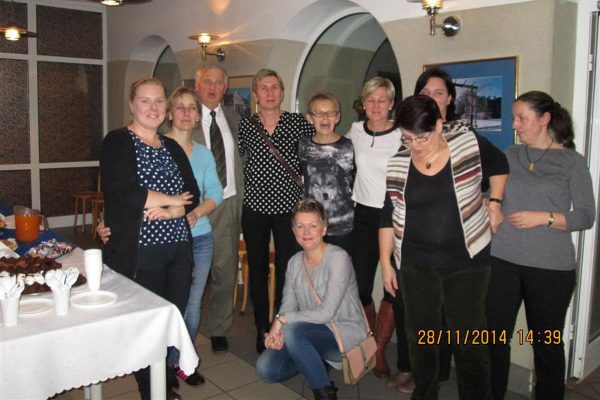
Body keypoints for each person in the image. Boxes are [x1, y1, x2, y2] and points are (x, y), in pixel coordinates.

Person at [379, 95, 509, 400]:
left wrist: (495, 201)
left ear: (439, 125)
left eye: (421, 137)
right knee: (421, 340)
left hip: (467, 262)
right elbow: (388, 214)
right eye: (407, 138)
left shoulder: (468, 144)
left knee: (468, 342)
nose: (415, 145)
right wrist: (386, 263)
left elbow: (499, 164)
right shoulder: (398, 163)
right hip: (415, 265)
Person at [98, 86, 223, 389]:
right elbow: (126, 192)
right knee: (146, 325)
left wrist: (173, 210)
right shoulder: (118, 141)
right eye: (145, 101)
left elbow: (192, 193)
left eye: (158, 101)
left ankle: (163, 373)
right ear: (132, 105)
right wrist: (172, 200)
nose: (153, 108)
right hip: (141, 252)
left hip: (179, 250)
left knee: (171, 319)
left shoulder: (171, 146)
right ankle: (152, 390)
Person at [487, 91, 595, 400]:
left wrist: (542, 217)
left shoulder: (571, 162)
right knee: (493, 339)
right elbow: (491, 192)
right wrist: (491, 204)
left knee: (546, 344)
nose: (515, 124)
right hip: (502, 260)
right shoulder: (510, 154)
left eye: (521, 118)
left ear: (545, 118)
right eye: (514, 118)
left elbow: (585, 216)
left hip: (550, 268)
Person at [256, 198, 368, 400]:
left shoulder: (338, 258)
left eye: (313, 226)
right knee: (266, 369)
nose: (306, 232)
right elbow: (288, 305)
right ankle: (313, 359)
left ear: (324, 229)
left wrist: (282, 321)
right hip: (307, 330)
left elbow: (327, 312)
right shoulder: (294, 263)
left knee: (293, 330)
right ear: (294, 231)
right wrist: (277, 331)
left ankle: (324, 393)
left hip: (342, 332)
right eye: (300, 226)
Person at [239, 69, 314, 353]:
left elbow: (316, 152)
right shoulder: (246, 125)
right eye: (264, 88)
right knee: (257, 270)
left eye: (274, 87)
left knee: (287, 270)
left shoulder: (298, 123)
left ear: (282, 92)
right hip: (254, 207)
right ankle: (262, 328)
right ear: (255, 94)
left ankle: (281, 327)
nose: (269, 93)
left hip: (288, 208)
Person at [346, 77, 401, 381]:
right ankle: (370, 342)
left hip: (396, 217)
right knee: (361, 286)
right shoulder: (355, 131)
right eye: (371, 99)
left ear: (391, 104)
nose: (376, 105)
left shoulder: (403, 134)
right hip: (364, 215)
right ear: (363, 103)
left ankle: (379, 349)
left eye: (382, 100)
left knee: (393, 286)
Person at [192, 64, 244, 354]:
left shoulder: (237, 120)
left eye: (218, 83)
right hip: (195, 208)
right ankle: (184, 323)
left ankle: (219, 328)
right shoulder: (186, 119)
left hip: (227, 203)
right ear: (197, 85)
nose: (212, 87)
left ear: (226, 87)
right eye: (207, 82)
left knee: (224, 272)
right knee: (190, 273)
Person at [299, 91, 354, 254]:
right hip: (311, 227)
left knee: (341, 267)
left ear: (338, 117)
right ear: (309, 118)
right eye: (318, 113)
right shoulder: (302, 145)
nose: (325, 118)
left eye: (330, 113)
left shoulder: (349, 146)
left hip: (342, 225)